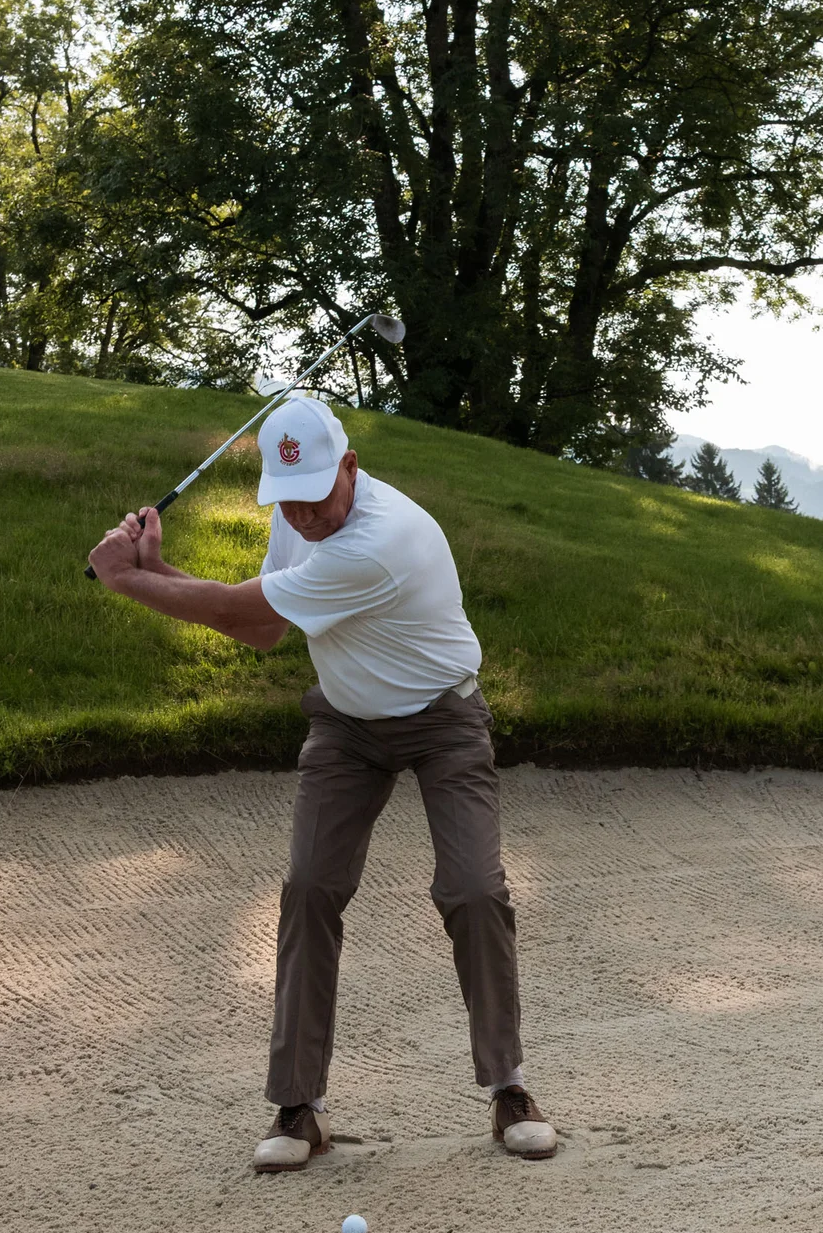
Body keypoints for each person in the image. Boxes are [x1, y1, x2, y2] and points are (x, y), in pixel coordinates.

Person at [87, 393, 558, 1173]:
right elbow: (263, 624)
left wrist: (125, 580)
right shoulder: (300, 509)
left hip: (443, 720)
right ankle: (299, 1106)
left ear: (350, 465)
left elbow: (239, 608)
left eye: (313, 500)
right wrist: (154, 567)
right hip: (346, 724)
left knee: (474, 888)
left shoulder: (380, 539)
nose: (299, 518)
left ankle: (509, 1087)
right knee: (309, 885)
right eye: (285, 502)